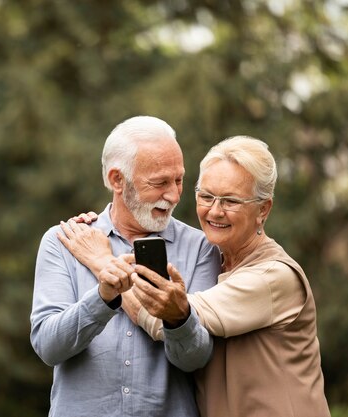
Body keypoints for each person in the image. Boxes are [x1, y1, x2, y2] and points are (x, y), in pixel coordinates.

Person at [61, 136, 331, 417]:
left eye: (230, 201)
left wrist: (102, 260)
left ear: (263, 209)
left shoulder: (273, 277)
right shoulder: (213, 261)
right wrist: (107, 226)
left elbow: (164, 313)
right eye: (206, 196)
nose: (215, 211)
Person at [30, 115, 221, 417]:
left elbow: (196, 360)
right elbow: (48, 347)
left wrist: (178, 318)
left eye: (179, 179)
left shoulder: (201, 248)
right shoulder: (64, 241)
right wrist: (102, 299)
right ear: (117, 180)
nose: (173, 195)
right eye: (159, 183)